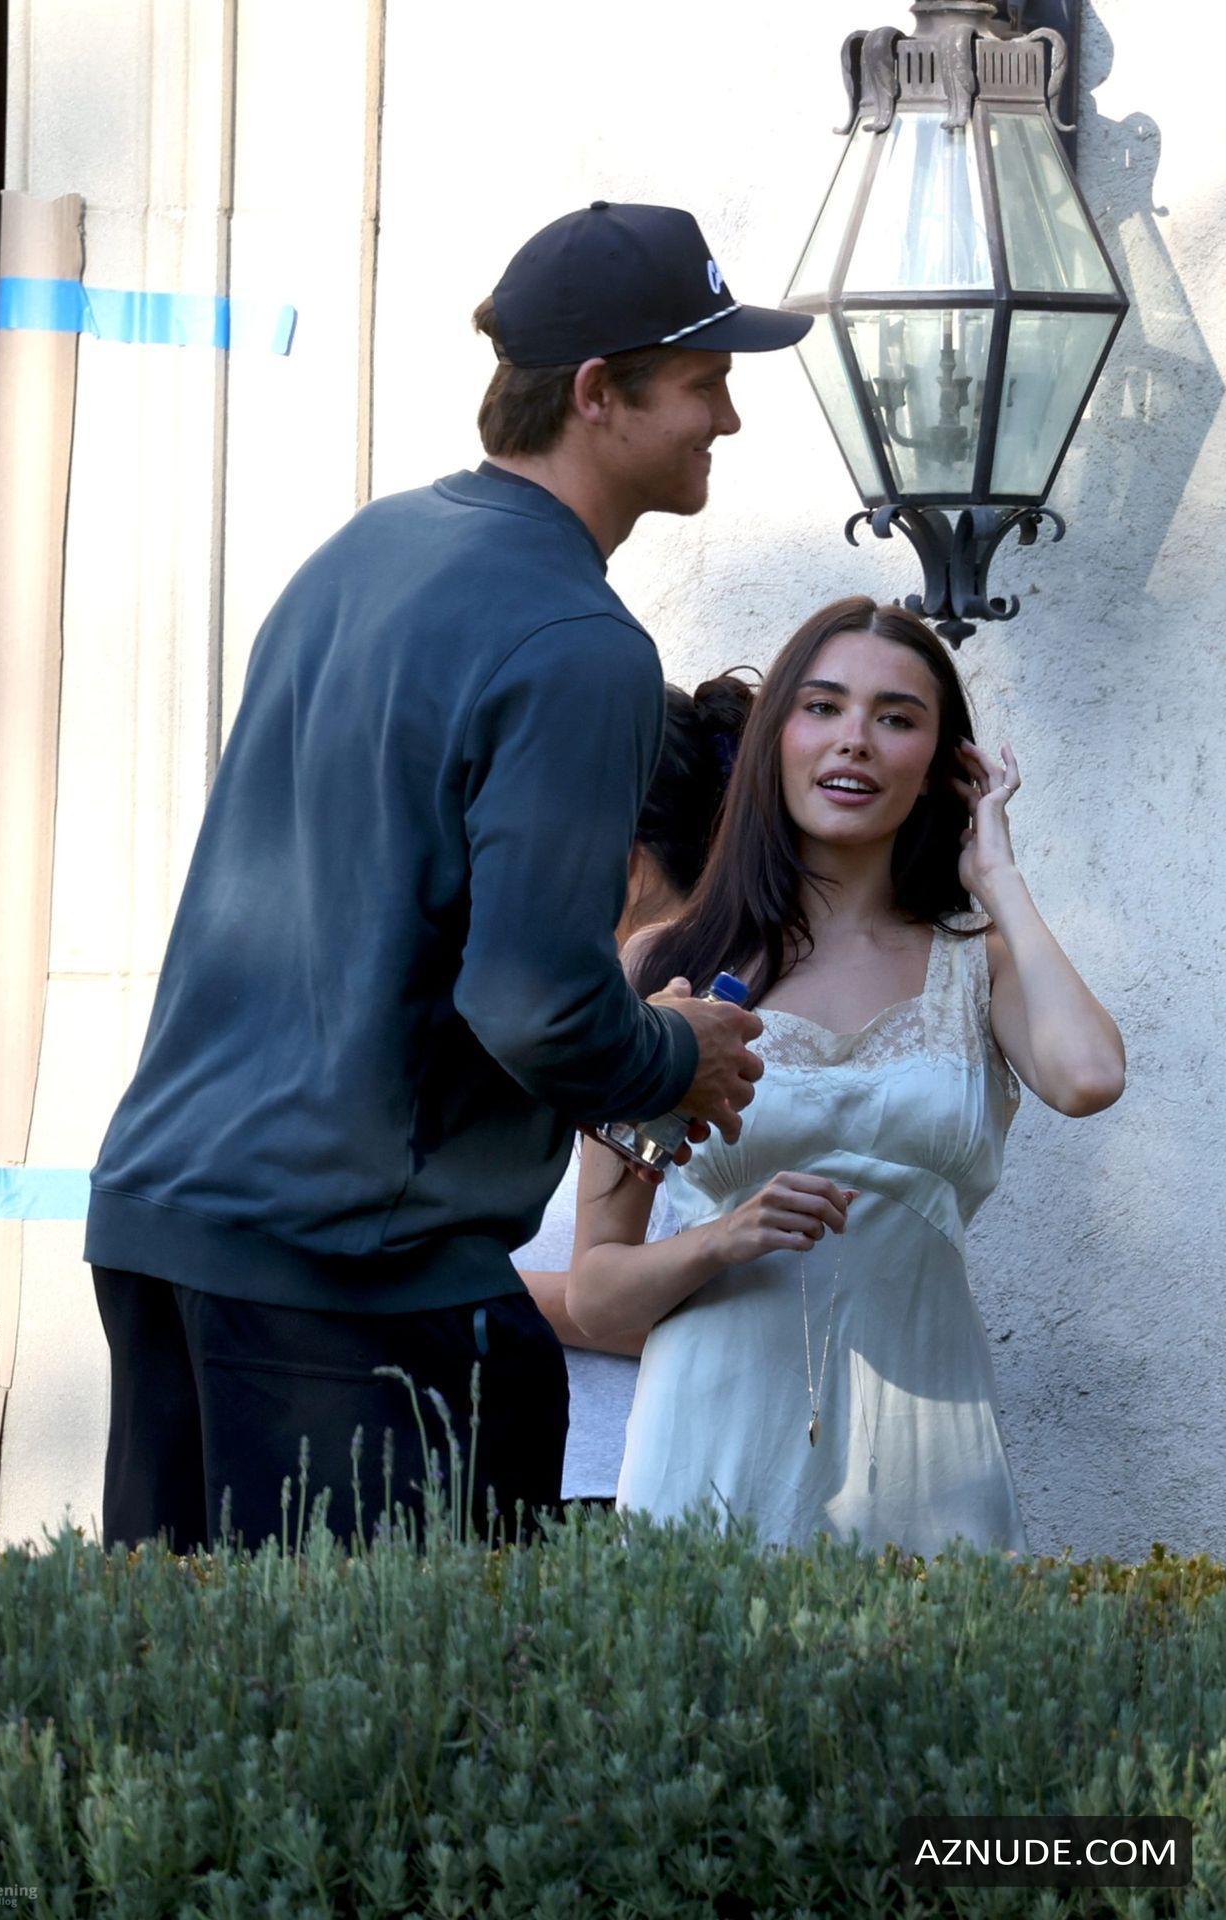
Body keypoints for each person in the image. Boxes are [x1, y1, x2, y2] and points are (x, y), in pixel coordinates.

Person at [85, 202, 812, 1553]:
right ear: (596, 393)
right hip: (346, 1277)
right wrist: (676, 1054)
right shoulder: (579, 640)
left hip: (161, 1229)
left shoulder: (366, 549)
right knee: (399, 1691)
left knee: (183, 1674)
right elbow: (535, 1003)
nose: (727, 419)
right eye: (703, 383)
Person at [567, 596, 1126, 1555]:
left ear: (941, 765)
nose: (855, 740)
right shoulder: (668, 965)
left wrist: (999, 880)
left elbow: (1089, 1077)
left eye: (896, 718)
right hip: (708, 1451)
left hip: (929, 1468)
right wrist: (722, 1239)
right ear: (775, 739)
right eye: (822, 707)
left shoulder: (977, 962)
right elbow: (596, 1292)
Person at [517, 670, 755, 1509]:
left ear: (626, 858)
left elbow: (698, 1299)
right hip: (554, 1463)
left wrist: (448, 1287)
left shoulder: (695, 1015)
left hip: (627, 1478)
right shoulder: (587, 1007)